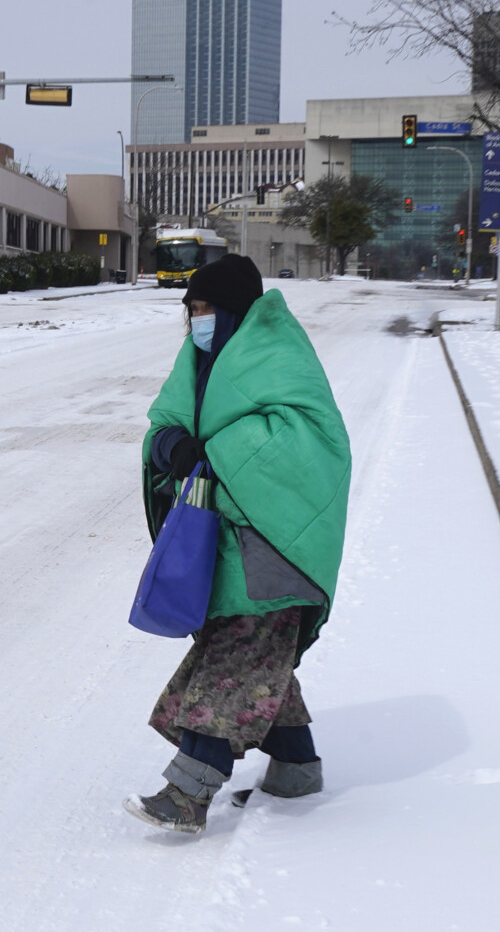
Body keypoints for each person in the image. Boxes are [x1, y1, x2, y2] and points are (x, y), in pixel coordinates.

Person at [126, 253, 352, 834]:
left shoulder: (280, 357)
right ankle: (297, 768)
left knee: (233, 664)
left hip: (275, 548)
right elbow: (165, 424)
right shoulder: (199, 360)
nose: (196, 321)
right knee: (257, 657)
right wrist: (170, 446)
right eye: (191, 310)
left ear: (234, 311)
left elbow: (305, 442)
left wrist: (213, 454)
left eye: (205, 309)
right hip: (223, 546)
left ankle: (187, 794)